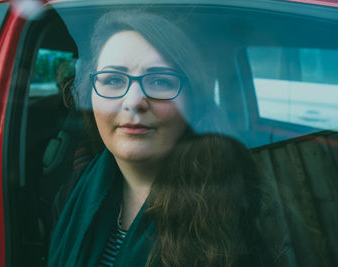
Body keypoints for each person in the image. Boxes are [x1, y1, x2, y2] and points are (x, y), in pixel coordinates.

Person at [48, 10, 271, 267]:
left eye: (160, 81)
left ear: (193, 103)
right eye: (113, 80)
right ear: (91, 96)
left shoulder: (236, 208)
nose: (133, 102)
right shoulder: (74, 190)